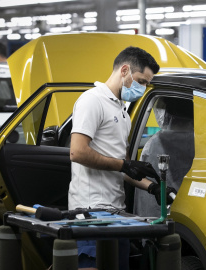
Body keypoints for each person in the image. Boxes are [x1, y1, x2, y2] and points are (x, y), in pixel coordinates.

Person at [68, 46, 176, 270]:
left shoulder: (123, 113)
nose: (143, 88)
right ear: (125, 70)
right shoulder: (92, 101)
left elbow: (125, 169)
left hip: (117, 214)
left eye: (146, 83)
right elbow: (77, 152)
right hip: (90, 212)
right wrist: (124, 164)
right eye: (141, 81)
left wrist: (152, 188)